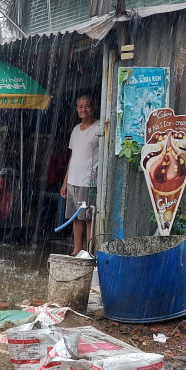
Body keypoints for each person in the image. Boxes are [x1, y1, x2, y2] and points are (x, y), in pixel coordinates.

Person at [60, 94, 102, 256]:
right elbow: (73, 156)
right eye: (80, 107)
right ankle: (77, 249)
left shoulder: (99, 129)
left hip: (88, 181)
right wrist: (65, 182)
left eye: (87, 106)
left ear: (94, 107)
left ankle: (91, 250)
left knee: (88, 217)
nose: (83, 110)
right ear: (77, 109)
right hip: (73, 181)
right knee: (75, 217)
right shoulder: (75, 130)